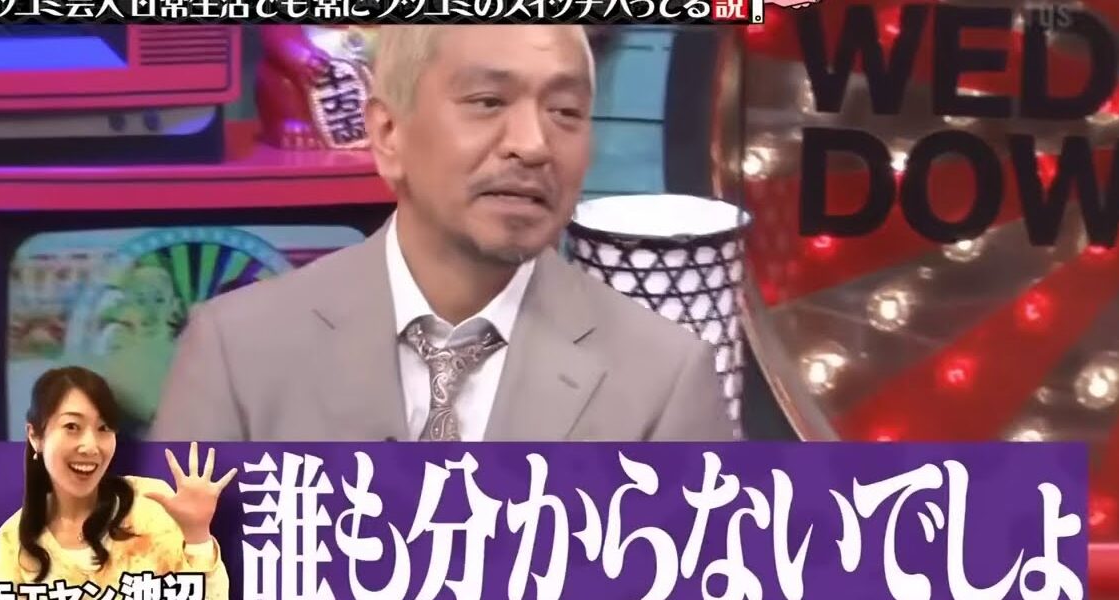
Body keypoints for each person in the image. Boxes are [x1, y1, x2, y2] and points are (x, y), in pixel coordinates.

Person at [150, 25, 734, 442]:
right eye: (488, 101)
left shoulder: (664, 383)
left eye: (565, 112)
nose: (533, 145)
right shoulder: (236, 354)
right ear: (388, 134)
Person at [0, 366, 235, 600]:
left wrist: (197, 535)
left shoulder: (150, 503)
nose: (91, 446)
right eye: (72, 427)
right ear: (36, 436)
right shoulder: (13, 539)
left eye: (104, 428)